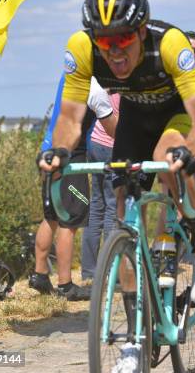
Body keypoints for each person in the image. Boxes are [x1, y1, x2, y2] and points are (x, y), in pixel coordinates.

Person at [39, 0, 195, 365]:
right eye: (105, 42)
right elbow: (70, 119)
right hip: (136, 116)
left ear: (141, 31)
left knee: (166, 156)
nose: (115, 50)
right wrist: (58, 152)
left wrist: (191, 151)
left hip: (179, 110)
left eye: (122, 39)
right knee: (123, 216)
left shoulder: (169, 44)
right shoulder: (81, 48)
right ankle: (134, 339)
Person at [29, 76, 116, 301]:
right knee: (70, 220)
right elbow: (112, 128)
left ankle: (39, 274)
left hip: (49, 149)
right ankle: (65, 285)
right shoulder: (94, 87)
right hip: (71, 156)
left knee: (51, 217)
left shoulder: (70, 74)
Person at [80, 93, 120, 282]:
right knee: (113, 207)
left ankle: (89, 270)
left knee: (96, 207)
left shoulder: (104, 79)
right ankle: (111, 268)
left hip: (95, 143)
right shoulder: (127, 82)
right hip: (113, 146)